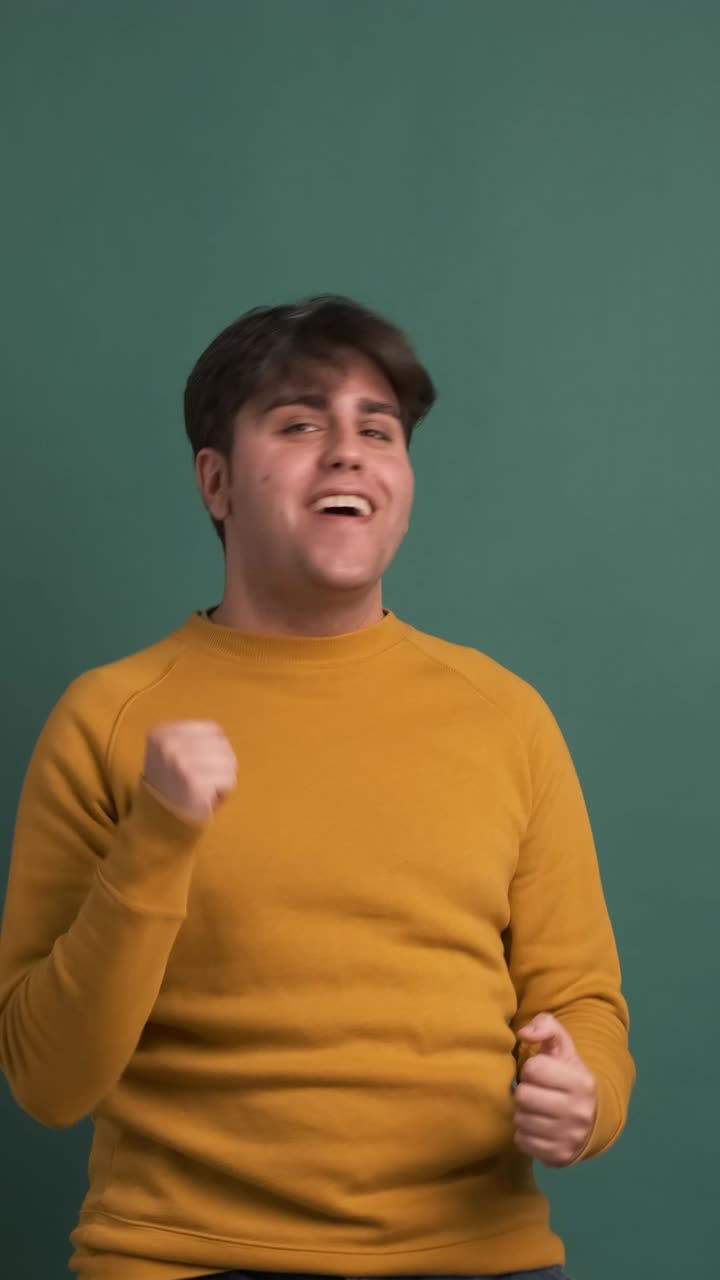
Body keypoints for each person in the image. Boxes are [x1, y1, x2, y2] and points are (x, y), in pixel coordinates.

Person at [0, 296, 634, 1280]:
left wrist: (585, 1095)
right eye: (299, 424)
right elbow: (47, 1079)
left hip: (480, 1258)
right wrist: (159, 839)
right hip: (181, 1258)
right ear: (216, 481)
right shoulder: (111, 716)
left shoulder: (506, 715)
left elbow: (583, 1001)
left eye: (377, 429)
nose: (347, 452)